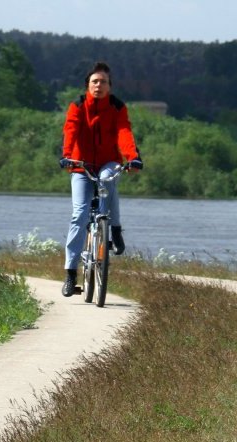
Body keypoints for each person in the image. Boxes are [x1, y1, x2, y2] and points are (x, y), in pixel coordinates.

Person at [59, 61, 142, 297]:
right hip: (81, 164)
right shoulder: (78, 105)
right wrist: (67, 156)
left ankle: (112, 229)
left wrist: (133, 157)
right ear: (88, 85)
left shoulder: (117, 107)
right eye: (95, 81)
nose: (99, 85)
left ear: (109, 86)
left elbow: (124, 132)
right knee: (79, 214)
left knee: (108, 179)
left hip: (108, 161)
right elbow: (71, 129)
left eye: (103, 82)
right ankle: (70, 273)